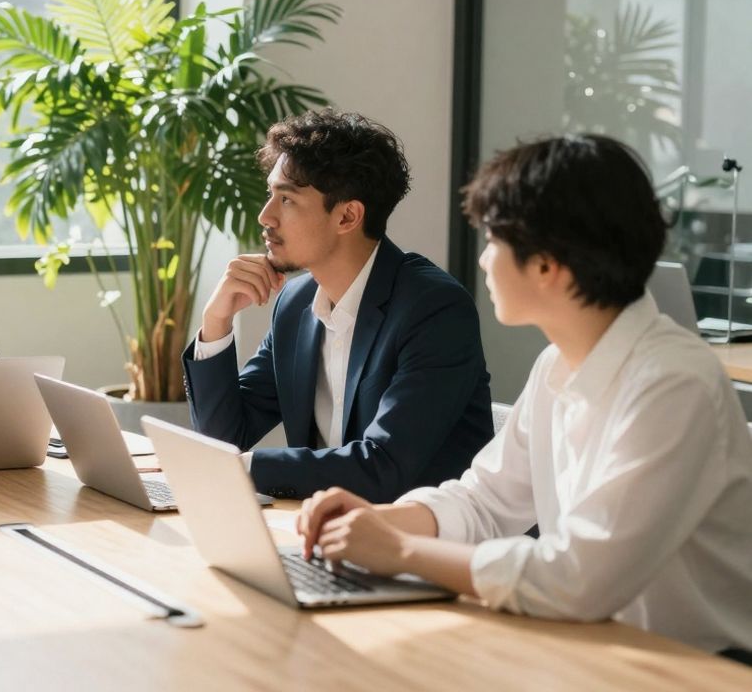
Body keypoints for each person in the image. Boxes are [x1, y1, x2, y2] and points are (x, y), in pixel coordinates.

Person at [298, 134, 752, 657]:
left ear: (545, 265)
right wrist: (380, 520)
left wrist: (401, 550)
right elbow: (486, 501)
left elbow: (579, 578)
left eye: (494, 241)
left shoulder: (674, 384)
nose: (484, 261)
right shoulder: (557, 364)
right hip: (594, 649)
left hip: (697, 667)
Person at [184, 109, 493, 500]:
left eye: (286, 199)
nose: (266, 216)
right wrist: (216, 322)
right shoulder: (295, 304)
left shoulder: (434, 309)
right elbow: (225, 437)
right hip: (325, 526)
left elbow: (384, 465)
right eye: (270, 194)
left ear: (347, 216)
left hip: (421, 533)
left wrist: (241, 468)